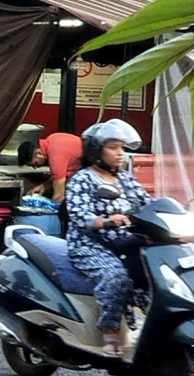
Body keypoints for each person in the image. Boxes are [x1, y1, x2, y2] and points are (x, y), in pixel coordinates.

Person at [64, 120, 151, 357]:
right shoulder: (83, 179)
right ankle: (110, 332)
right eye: (113, 147)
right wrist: (104, 220)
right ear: (96, 151)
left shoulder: (126, 179)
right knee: (116, 277)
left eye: (122, 147)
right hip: (90, 245)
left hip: (126, 243)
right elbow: (79, 214)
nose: (120, 153)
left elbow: (147, 204)